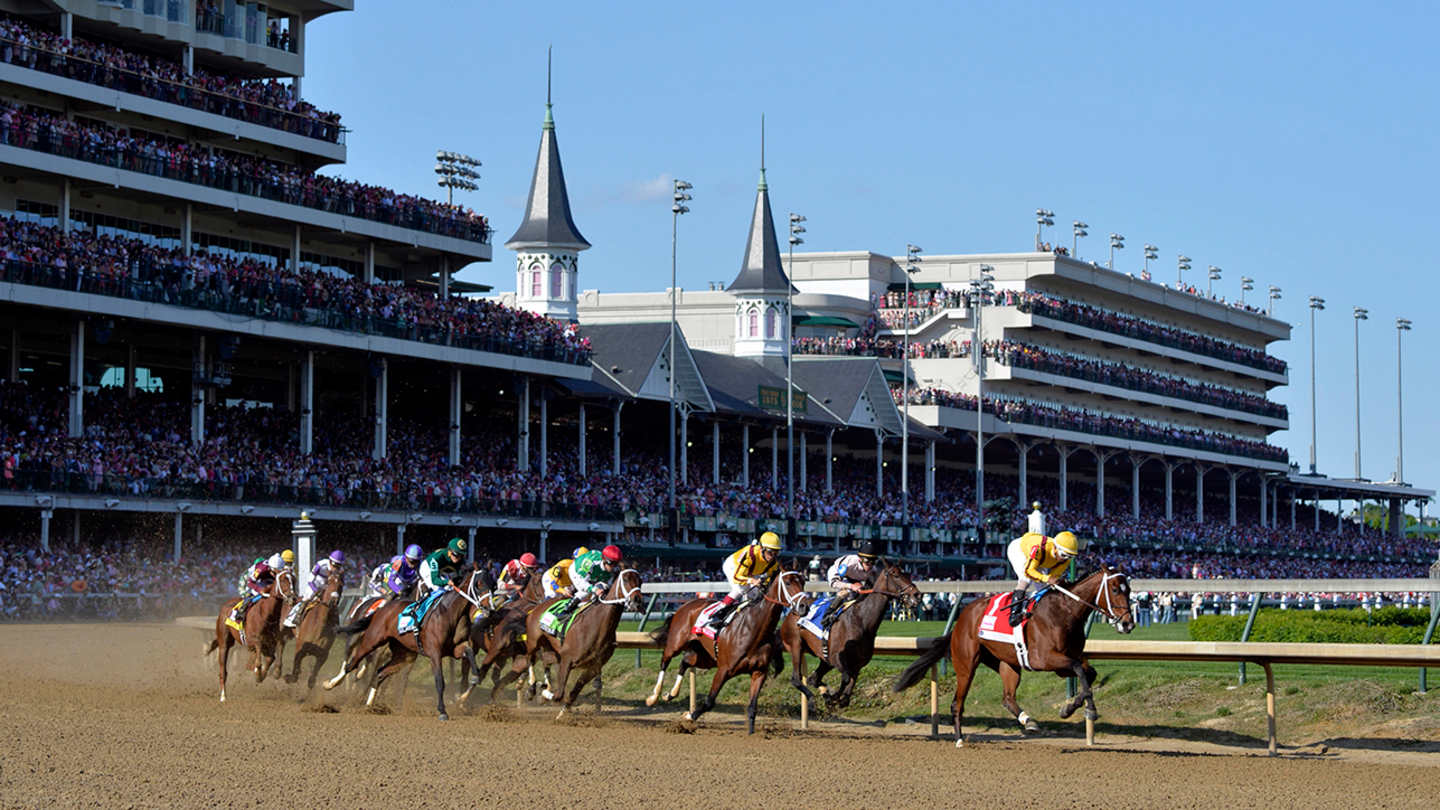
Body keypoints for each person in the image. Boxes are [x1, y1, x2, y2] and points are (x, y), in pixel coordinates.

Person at [699, 531, 782, 635]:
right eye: (770, 552)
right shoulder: (750, 555)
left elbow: (768, 579)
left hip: (751, 571)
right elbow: (737, 577)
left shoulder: (773, 563)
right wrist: (752, 580)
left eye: (776, 552)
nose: (773, 556)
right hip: (733, 567)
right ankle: (711, 614)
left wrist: (763, 583)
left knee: (756, 594)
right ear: (762, 549)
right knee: (741, 590)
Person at [1005, 530, 1080, 626]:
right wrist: (1047, 579)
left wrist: (1053, 581)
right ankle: (1014, 614)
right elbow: (1028, 571)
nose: (1065, 559)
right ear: (1056, 548)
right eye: (1063, 555)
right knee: (1026, 579)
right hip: (1019, 550)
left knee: (1044, 588)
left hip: (1040, 559)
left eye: (1070, 556)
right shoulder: (1039, 548)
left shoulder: (1066, 559)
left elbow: (1053, 577)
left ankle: (1039, 612)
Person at [821, 541, 879, 629]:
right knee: (845, 593)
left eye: (873, 562)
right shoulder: (849, 563)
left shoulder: (873, 570)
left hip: (856, 578)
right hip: (840, 576)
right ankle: (827, 615)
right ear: (860, 559)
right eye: (867, 562)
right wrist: (851, 586)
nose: (870, 565)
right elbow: (834, 582)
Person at [553, 545, 622, 620]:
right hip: (576, 572)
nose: (614, 567)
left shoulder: (610, 567)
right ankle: (565, 610)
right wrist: (594, 589)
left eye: (616, 564)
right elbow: (582, 582)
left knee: (604, 589)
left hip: (593, 575)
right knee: (585, 592)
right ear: (605, 560)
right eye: (612, 564)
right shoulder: (590, 562)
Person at [283, 550, 344, 629]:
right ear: (330, 561)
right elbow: (310, 580)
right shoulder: (321, 564)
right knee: (307, 598)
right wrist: (315, 590)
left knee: (333, 603)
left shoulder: (341, 571)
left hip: (327, 586)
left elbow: (342, 583)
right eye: (334, 565)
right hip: (315, 584)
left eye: (338, 566)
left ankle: (336, 624)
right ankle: (295, 616)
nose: (335, 568)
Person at [478, 552, 539, 621]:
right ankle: (481, 617)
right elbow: (500, 585)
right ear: (522, 565)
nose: (532, 571)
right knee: (495, 606)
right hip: (505, 592)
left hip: (520, 594)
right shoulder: (512, 566)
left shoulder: (532, 572)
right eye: (529, 568)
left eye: (533, 568)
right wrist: (515, 587)